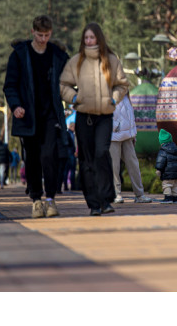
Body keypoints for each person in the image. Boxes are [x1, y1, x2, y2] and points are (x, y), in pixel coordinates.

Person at [3, 15, 70, 219]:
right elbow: (10, 85)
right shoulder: (19, 55)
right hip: (28, 116)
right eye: (39, 35)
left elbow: (71, 78)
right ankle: (36, 200)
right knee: (31, 159)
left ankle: (50, 199)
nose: (43, 39)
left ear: (51, 33)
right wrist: (15, 106)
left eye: (47, 35)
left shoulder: (58, 55)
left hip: (51, 115)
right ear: (32, 32)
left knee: (50, 156)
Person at [60, 22, 129, 217]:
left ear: (99, 38)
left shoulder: (111, 60)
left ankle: (106, 198)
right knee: (86, 160)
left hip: (104, 116)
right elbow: (63, 84)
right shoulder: (76, 62)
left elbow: (122, 85)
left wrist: (113, 99)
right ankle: (94, 204)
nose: (89, 41)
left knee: (101, 153)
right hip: (83, 116)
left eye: (92, 37)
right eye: (86, 38)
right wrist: (73, 97)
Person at [110, 95, 153, 204]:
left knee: (133, 164)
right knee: (114, 167)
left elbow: (130, 117)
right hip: (113, 136)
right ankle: (116, 194)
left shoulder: (125, 97)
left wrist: (133, 134)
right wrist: (115, 127)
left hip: (128, 136)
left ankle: (140, 195)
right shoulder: (108, 92)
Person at [155, 127, 177, 203]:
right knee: (174, 186)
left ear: (162, 142)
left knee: (166, 185)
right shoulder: (175, 149)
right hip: (176, 173)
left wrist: (158, 169)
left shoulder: (163, 150)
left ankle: (168, 198)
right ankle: (175, 198)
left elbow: (160, 161)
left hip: (167, 173)